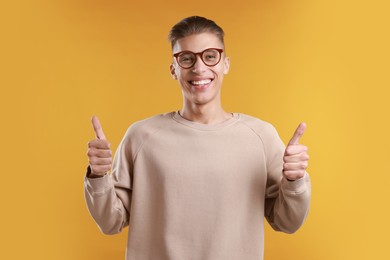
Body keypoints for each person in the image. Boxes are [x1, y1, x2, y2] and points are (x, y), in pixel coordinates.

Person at [84, 16, 311, 260]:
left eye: (210, 56)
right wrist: (98, 177)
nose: (199, 68)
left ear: (225, 64)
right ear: (174, 69)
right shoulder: (141, 137)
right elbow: (110, 222)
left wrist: (295, 180)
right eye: (187, 58)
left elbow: (288, 222)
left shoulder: (261, 137)